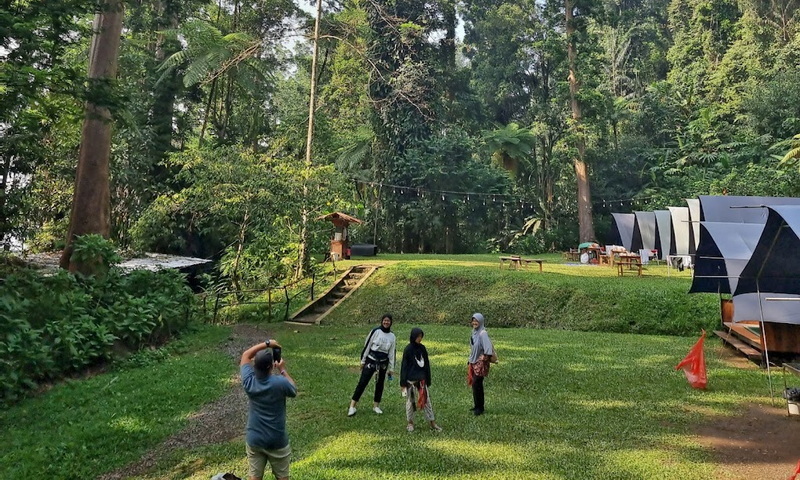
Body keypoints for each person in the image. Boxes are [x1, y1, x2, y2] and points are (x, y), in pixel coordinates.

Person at [240, 339, 297, 480]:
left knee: (254, 476)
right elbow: (293, 390)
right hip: (276, 440)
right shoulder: (280, 383)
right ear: (271, 366)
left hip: (255, 439)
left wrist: (267, 343)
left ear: (255, 366)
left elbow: (246, 355)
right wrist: (283, 370)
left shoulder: (249, 381)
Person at [348, 314, 397, 416]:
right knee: (363, 382)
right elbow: (367, 345)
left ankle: (376, 406)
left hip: (383, 362)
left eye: (388, 321)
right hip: (371, 360)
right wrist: (363, 360)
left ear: (391, 322)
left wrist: (391, 368)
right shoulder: (375, 332)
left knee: (380, 384)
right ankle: (352, 406)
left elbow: (392, 352)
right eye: (384, 320)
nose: (386, 322)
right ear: (382, 321)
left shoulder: (392, 336)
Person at [400, 327, 442, 432]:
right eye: (418, 337)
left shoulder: (422, 348)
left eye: (421, 337)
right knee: (410, 403)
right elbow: (404, 367)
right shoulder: (408, 349)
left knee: (427, 402)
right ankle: (410, 423)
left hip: (422, 381)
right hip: (411, 381)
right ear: (413, 336)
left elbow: (426, 364)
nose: (419, 339)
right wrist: (403, 383)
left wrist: (428, 379)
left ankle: (432, 423)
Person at [468, 313, 495, 416]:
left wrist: (485, 357)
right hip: (474, 361)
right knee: (475, 385)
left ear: (481, 322)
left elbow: (487, 347)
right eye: (473, 320)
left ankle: (480, 408)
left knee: (477, 383)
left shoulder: (483, 333)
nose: (474, 323)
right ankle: (477, 405)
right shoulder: (474, 332)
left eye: (476, 321)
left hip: (481, 363)